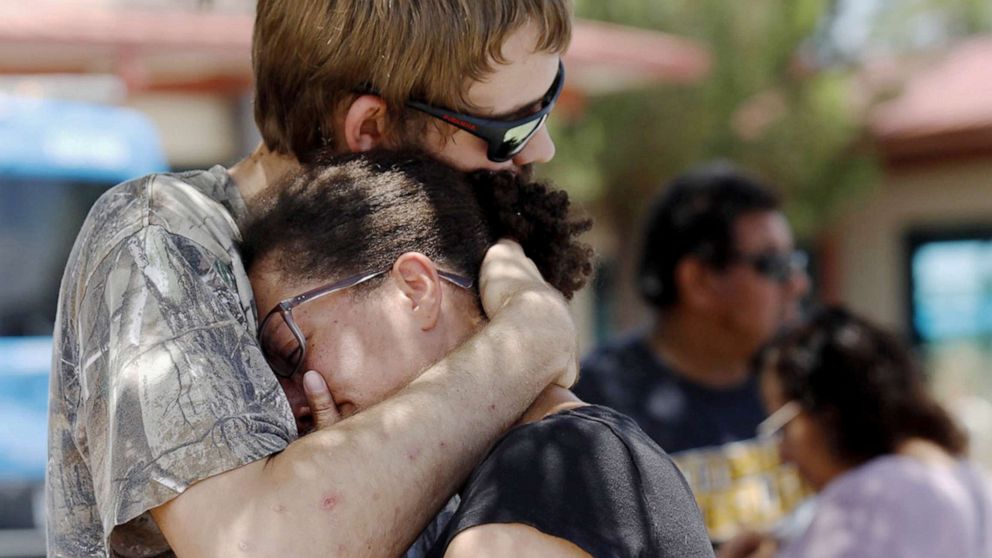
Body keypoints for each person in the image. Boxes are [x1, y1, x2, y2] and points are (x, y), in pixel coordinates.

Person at [46, 1, 579, 556]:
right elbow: (253, 545)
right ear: (369, 128)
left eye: (550, 98)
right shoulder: (161, 234)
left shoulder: (434, 254)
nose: (541, 148)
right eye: (510, 129)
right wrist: (528, 342)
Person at [242, 149, 716, 558]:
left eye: (290, 350)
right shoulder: (546, 466)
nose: (293, 400)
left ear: (414, 290)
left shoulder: (548, 466)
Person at [574, 162, 812, 542]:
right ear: (700, 281)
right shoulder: (594, 408)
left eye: (796, 262)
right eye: (775, 265)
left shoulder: (804, 385)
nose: (798, 284)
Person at [719, 306, 992, 558]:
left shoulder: (867, 498)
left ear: (828, 411)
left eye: (782, 427)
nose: (783, 453)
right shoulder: (966, 477)